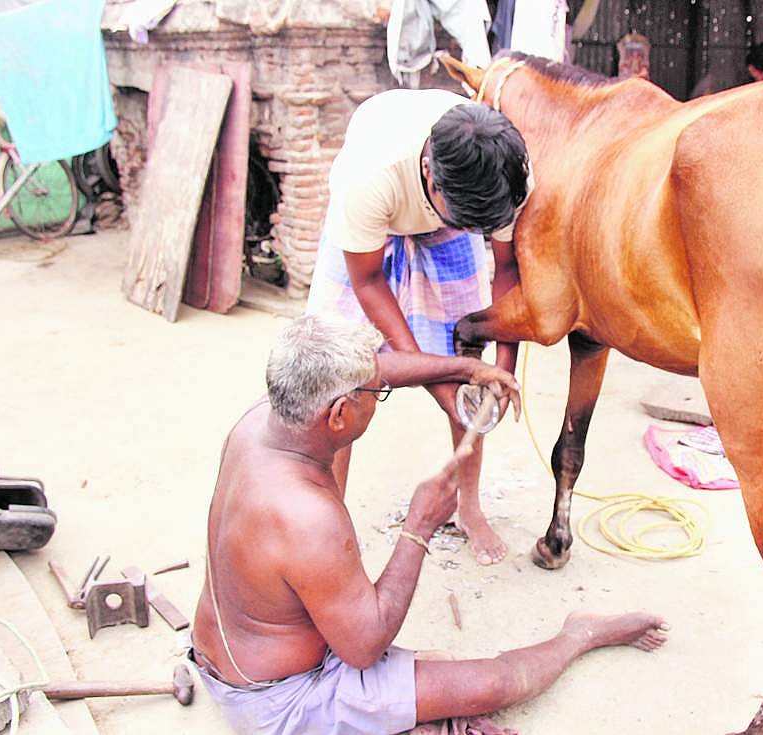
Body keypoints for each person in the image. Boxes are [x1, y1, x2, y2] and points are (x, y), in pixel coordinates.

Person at [190, 314, 671, 735]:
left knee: (429, 669)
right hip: (278, 703)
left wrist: (467, 367)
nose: (380, 393)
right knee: (492, 682)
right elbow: (363, 647)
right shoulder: (304, 515)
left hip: (231, 655)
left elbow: (376, 370)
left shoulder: (261, 422)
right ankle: (579, 634)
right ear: (339, 413)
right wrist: (417, 529)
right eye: (374, 393)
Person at [306, 89, 533, 566]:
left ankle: (467, 507)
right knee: (339, 385)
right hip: (369, 239)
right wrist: (437, 377)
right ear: (430, 175)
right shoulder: (368, 178)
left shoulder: (504, 176)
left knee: (470, 377)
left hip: (446, 217)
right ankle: (329, 522)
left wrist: (497, 371)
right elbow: (367, 282)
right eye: (470, 220)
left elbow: (507, 272)